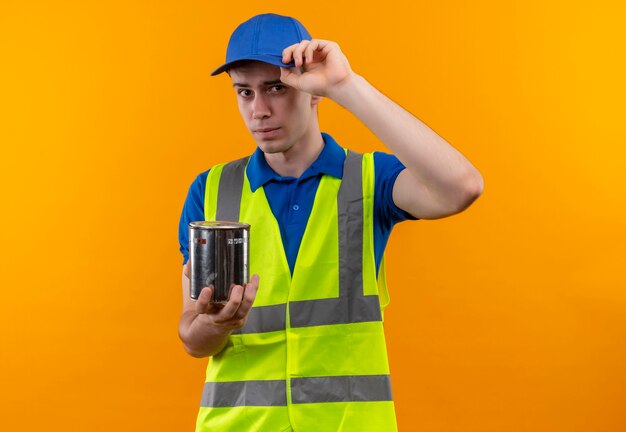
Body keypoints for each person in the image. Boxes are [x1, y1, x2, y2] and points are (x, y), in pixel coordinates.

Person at [178, 13, 483, 432]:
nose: (259, 111)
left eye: (277, 88)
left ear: (312, 90)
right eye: (244, 92)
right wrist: (214, 325)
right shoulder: (211, 191)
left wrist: (346, 87)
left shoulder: (370, 181)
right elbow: (193, 338)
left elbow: (461, 187)